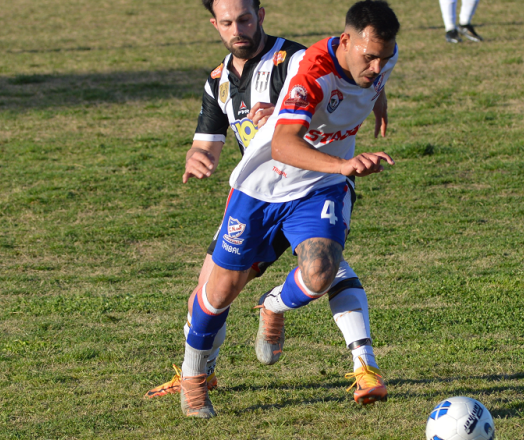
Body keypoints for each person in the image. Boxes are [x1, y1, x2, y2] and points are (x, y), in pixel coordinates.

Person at [144, 0, 389, 412]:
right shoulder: (219, 81)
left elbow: (334, 90)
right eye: (227, 22)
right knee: (209, 294)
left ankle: (363, 364)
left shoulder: (295, 60)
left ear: (260, 15)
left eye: (244, 19)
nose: (237, 29)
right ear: (215, 24)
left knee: (324, 267)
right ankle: (199, 374)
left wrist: (291, 115)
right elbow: (207, 143)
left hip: (314, 185)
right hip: (258, 194)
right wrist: (195, 157)